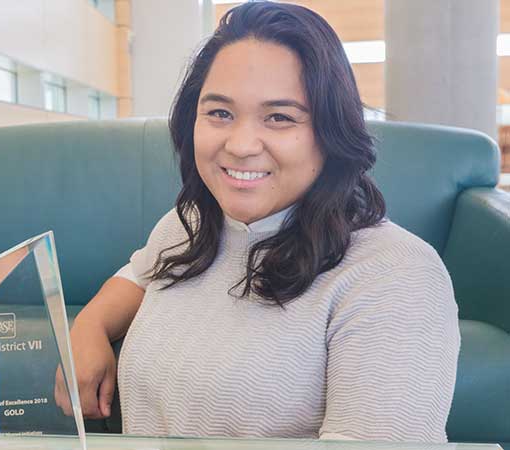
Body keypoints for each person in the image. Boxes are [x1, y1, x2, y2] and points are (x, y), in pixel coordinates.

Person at [54, 1, 460, 443]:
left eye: (280, 117)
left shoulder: (395, 274)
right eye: (220, 113)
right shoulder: (192, 222)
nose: (241, 144)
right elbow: (136, 275)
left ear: (330, 130)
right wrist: (88, 326)